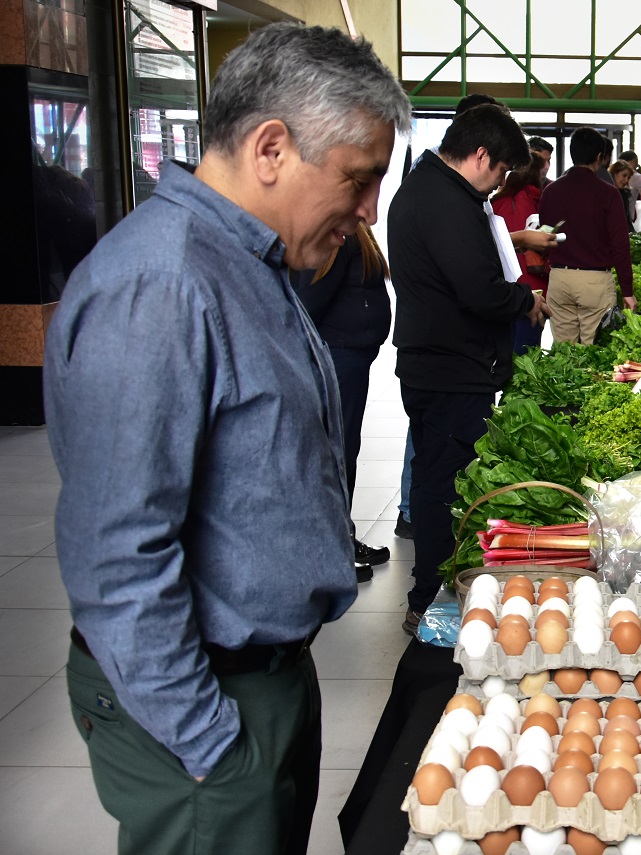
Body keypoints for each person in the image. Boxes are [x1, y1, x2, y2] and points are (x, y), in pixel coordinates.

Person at [43, 24, 410, 855]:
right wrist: (210, 742)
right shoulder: (162, 281)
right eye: (358, 181)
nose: (368, 213)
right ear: (271, 148)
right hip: (204, 701)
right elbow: (118, 550)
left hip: (262, 677)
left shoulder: (248, 263)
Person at [389, 104, 548, 635]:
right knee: (443, 488)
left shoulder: (435, 190)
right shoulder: (444, 201)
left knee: (445, 479)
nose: (501, 183)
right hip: (448, 370)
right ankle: (429, 598)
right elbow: (477, 290)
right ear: (481, 155)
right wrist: (521, 299)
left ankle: (437, 591)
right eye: (502, 170)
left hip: (444, 365)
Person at [291, 224, 393, 578]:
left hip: (352, 357)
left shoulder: (353, 231)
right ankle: (334, 548)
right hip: (339, 357)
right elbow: (309, 302)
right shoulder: (335, 235)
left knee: (346, 448)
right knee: (337, 451)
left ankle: (342, 536)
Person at [539, 127, 636, 344]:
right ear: (600, 157)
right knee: (595, 353)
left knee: (565, 355)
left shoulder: (551, 191)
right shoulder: (608, 193)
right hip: (595, 281)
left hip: (559, 278)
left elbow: (543, 237)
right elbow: (620, 245)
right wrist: (627, 290)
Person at [491, 152, 551, 353]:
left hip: (500, 286)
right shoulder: (535, 199)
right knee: (527, 354)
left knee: (506, 348)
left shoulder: (495, 201)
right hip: (531, 285)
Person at [609, 159, 636, 230]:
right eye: (624, 175)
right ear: (615, 173)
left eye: (628, 177)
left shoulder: (624, 194)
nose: (626, 180)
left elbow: (626, 220)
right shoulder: (605, 194)